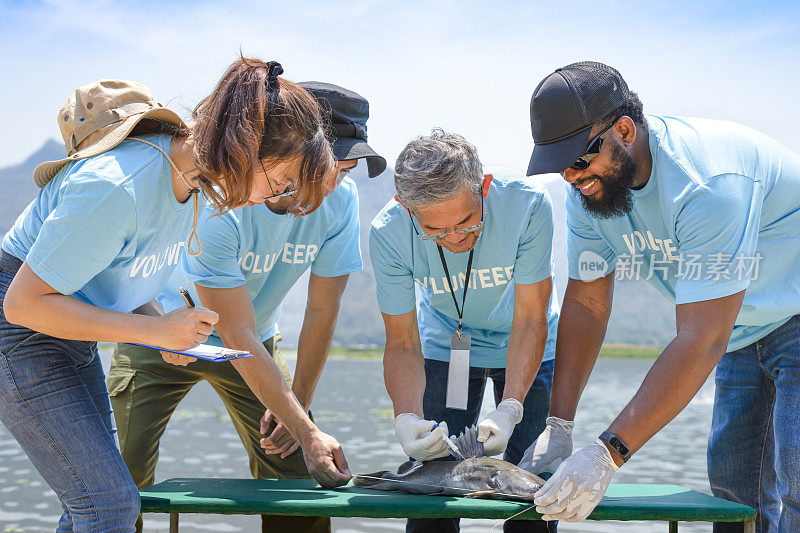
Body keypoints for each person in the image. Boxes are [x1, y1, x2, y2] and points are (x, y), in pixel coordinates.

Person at [0, 56, 348, 531]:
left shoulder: (197, 187)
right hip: (20, 330)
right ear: (247, 147)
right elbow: (22, 305)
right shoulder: (118, 187)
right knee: (109, 504)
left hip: (65, 324)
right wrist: (150, 329)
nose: (270, 199)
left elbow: (119, 276)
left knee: (97, 500)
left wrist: (161, 331)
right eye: (279, 183)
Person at [523, 61, 800, 532]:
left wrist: (608, 453)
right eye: (561, 166)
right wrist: (560, 426)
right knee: (735, 495)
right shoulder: (587, 196)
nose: (571, 176)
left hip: (790, 314)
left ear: (625, 131)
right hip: (737, 329)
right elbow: (586, 305)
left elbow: (699, 339)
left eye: (580, 159)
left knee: (797, 483)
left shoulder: (708, 183)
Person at [108, 81, 386, 533]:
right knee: (122, 473)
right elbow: (234, 329)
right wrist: (304, 427)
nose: (337, 180)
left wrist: (299, 408)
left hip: (253, 341)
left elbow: (321, 311)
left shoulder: (341, 202)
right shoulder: (228, 200)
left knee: (297, 473)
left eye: (349, 169)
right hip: (159, 326)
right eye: (332, 165)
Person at [369, 129, 559, 533]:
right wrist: (406, 417)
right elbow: (402, 341)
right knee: (432, 499)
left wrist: (510, 407)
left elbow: (530, 318)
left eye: (467, 222)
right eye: (435, 231)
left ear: (484, 188)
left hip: (527, 345)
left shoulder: (527, 205)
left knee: (534, 498)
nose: (455, 238)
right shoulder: (388, 231)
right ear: (406, 207)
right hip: (446, 348)